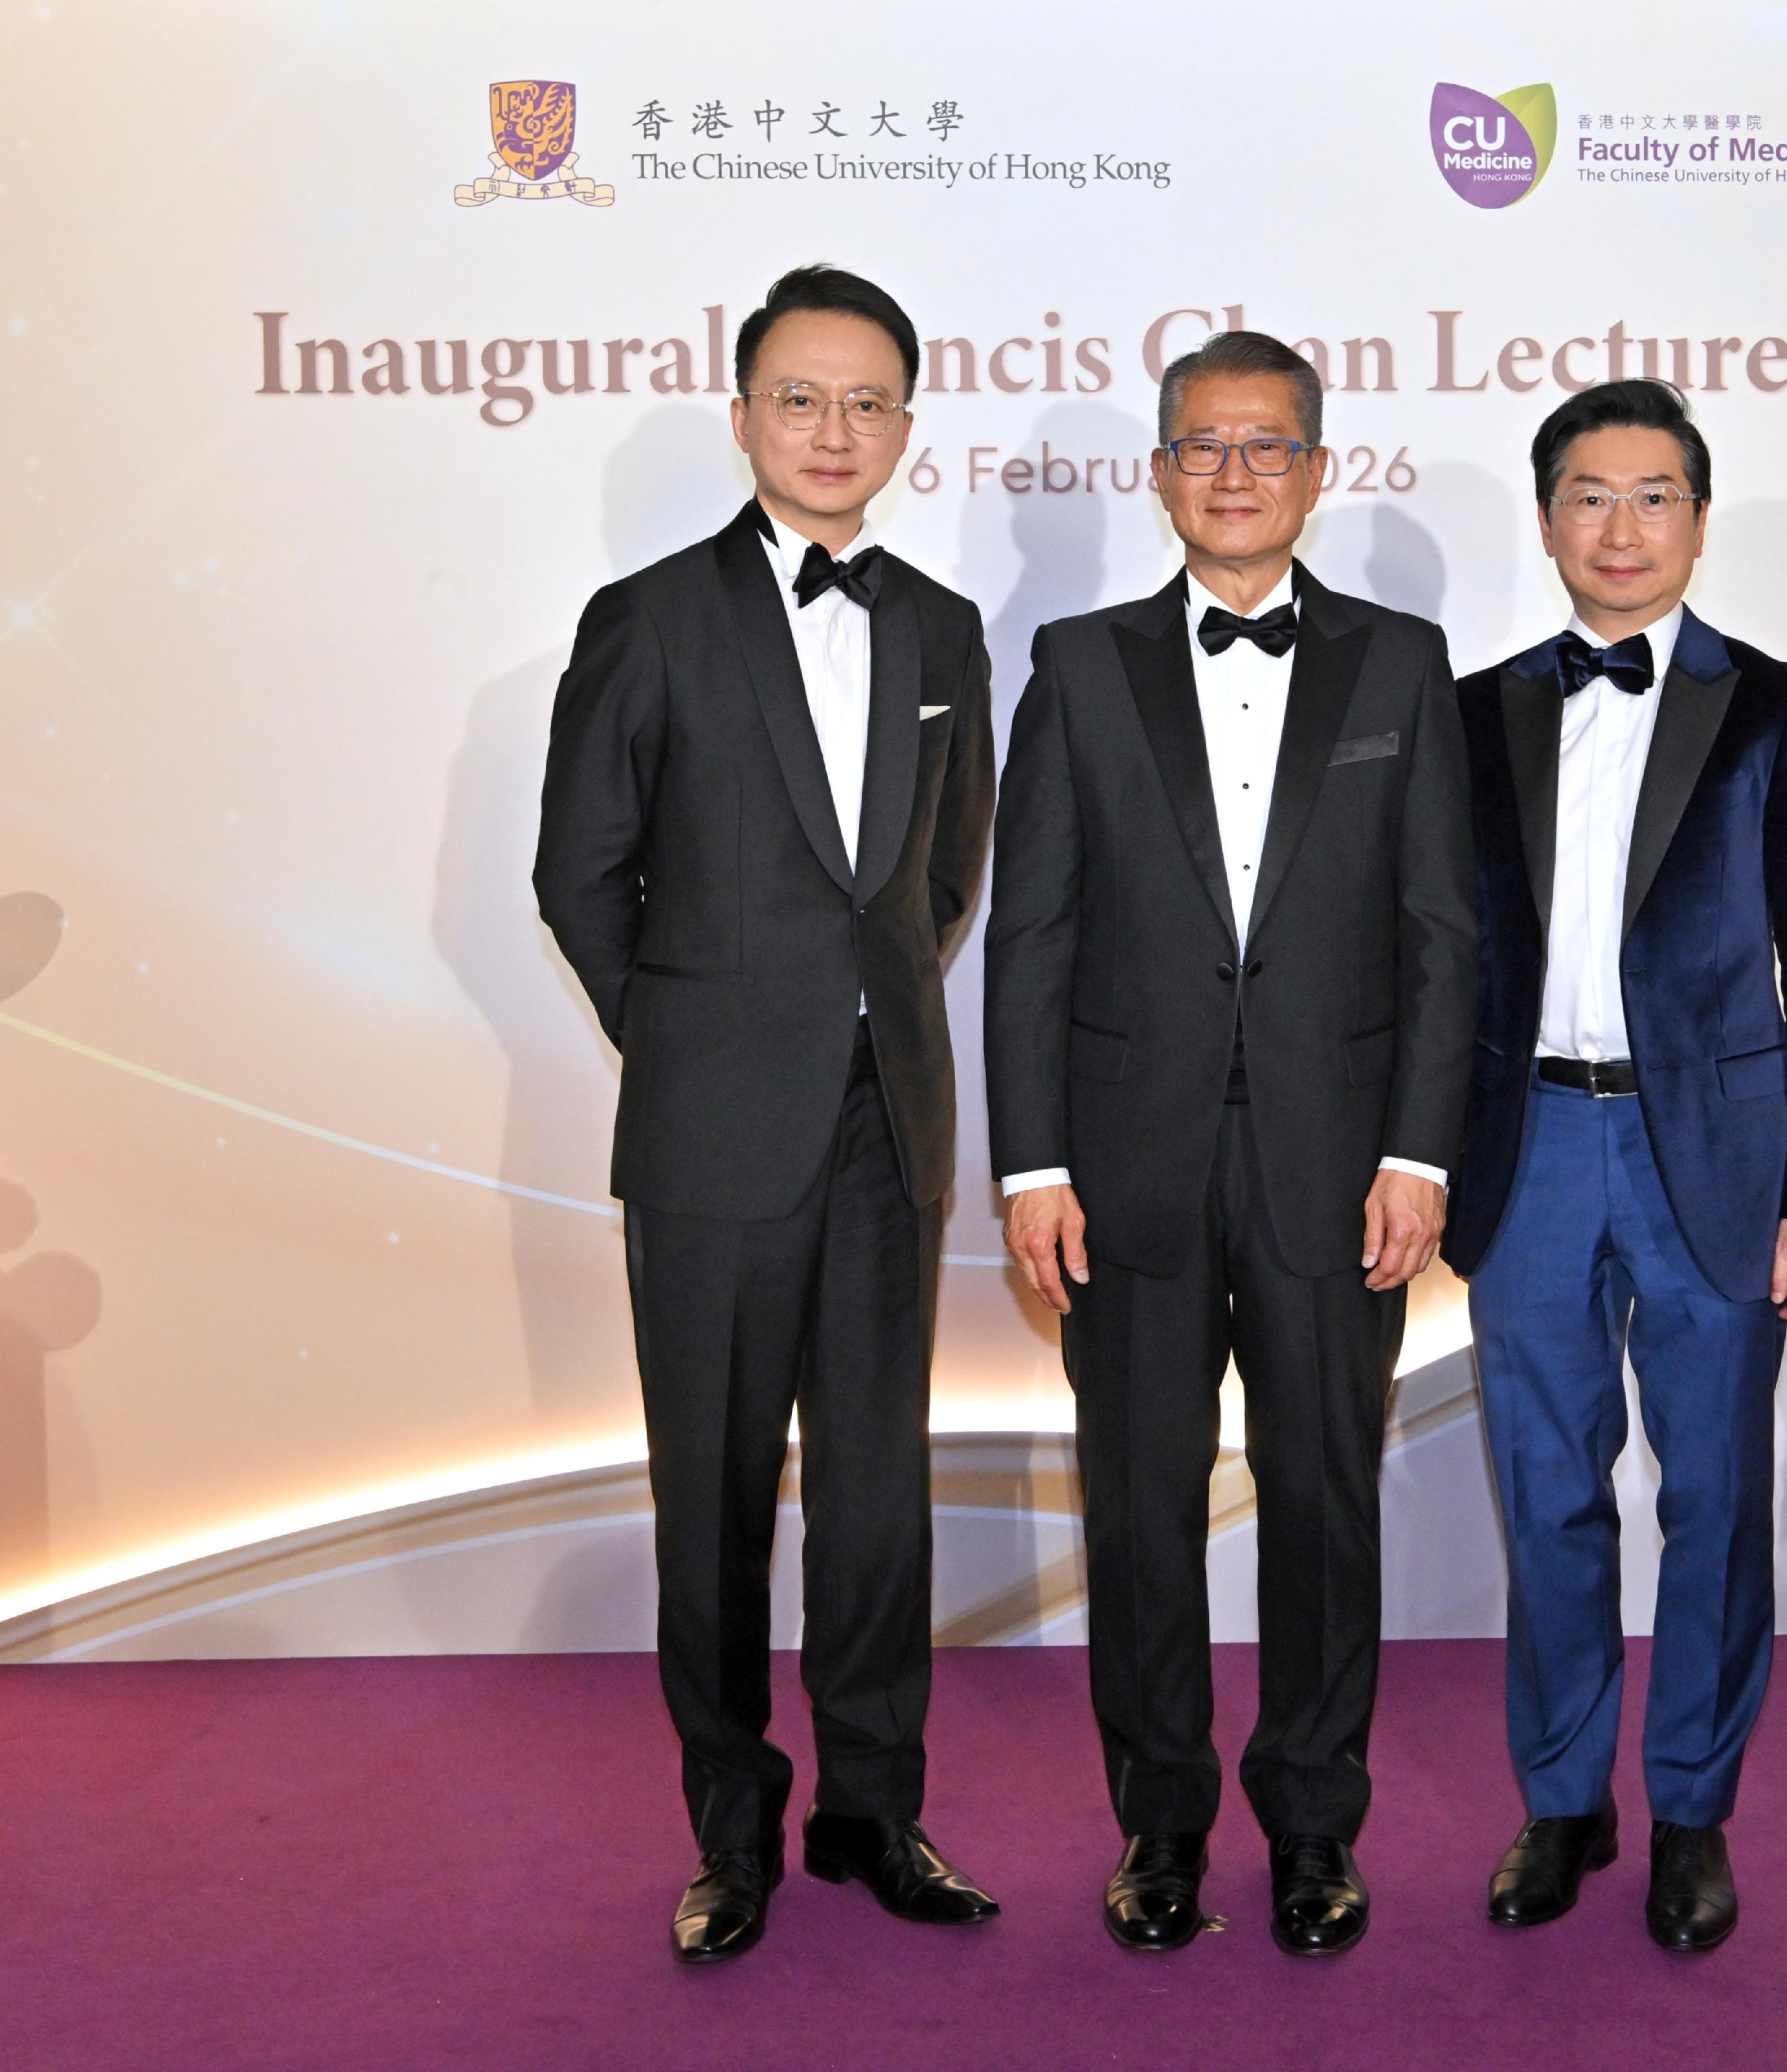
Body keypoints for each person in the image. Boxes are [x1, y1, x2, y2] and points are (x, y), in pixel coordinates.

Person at [985, 332, 1477, 1957]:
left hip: (1343, 1170)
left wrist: (1420, 1149)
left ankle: (1317, 1828)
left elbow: (1438, 935)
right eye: (1203, 445)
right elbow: (1031, 935)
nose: (1235, 472)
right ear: (1161, 471)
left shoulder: (1402, 666)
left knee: (1324, 1500)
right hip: (1122, 1167)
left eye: (1267, 446)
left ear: (1317, 473)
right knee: (1134, 1503)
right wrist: (1030, 1165)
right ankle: (1159, 1823)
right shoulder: (1075, 665)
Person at [535, 264, 1000, 1963]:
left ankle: (878, 1813)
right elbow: (580, 873)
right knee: (717, 1500)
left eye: (867, 401)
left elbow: (940, 883)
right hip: (713, 1140)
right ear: (743, 418)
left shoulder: (944, 631)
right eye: (800, 399)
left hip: (892, 1133)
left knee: (879, 1500)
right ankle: (730, 1834)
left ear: (903, 426)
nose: (833, 430)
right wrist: (695, 1044)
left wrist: (855, 1030)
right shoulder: (650, 620)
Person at [1444, 379, 1787, 1952]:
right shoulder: (1475, 709)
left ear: (1696, 519)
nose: (1618, 528)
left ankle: (1691, 1811)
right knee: (1546, 1495)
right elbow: (1439, 962)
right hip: (1528, 1152)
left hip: (1716, 1157)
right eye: (1587, 494)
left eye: (1652, 496)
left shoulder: (1777, 707)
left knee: (1712, 1499)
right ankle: (1561, 1801)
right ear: (1546, 514)